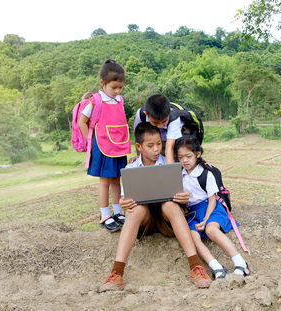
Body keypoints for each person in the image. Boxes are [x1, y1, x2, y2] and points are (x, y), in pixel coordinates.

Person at [99, 122, 212, 291]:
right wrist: (123, 202)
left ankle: (196, 267)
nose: (156, 149)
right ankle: (117, 273)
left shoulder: (171, 163)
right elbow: (125, 199)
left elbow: (184, 191)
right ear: (139, 146)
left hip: (167, 218)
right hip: (145, 220)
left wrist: (184, 196)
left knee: (170, 206)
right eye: (150, 145)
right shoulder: (131, 169)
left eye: (159, 143)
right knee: (135, 210)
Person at [174, 135, 251, 279]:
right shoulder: (179, 175)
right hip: (194, 213)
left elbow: (212, 200)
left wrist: (206, 219)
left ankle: (240, 262)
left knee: (210, 229)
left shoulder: (205, 174)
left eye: (188, 156)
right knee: (192, 237)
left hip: (212, 208)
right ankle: (216, 267)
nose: (184, 160)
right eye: (180, 157)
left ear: (198, 154)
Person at [78, 59, 131, 233]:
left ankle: (117, 211)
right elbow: (82, 122)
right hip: (102, 147)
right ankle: (104, 214)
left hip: (118, 147)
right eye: (114, 87)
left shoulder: (119, 100)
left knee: (117, 179)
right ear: (103, 83)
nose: (117, 91)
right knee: (105, 181)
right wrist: (90, 142)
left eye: (120, 88)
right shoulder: (95, 101)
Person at [133, 94, 184, 164]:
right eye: (155, 122)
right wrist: (139, 158)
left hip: (176, 141)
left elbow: (169, 147)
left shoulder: (174, 118)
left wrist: (170, 170)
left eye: (164, 121)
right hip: (158, 141)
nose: (160, 126)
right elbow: (138, 137)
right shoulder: (140, 114)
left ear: (170, 111)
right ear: (146, 114)